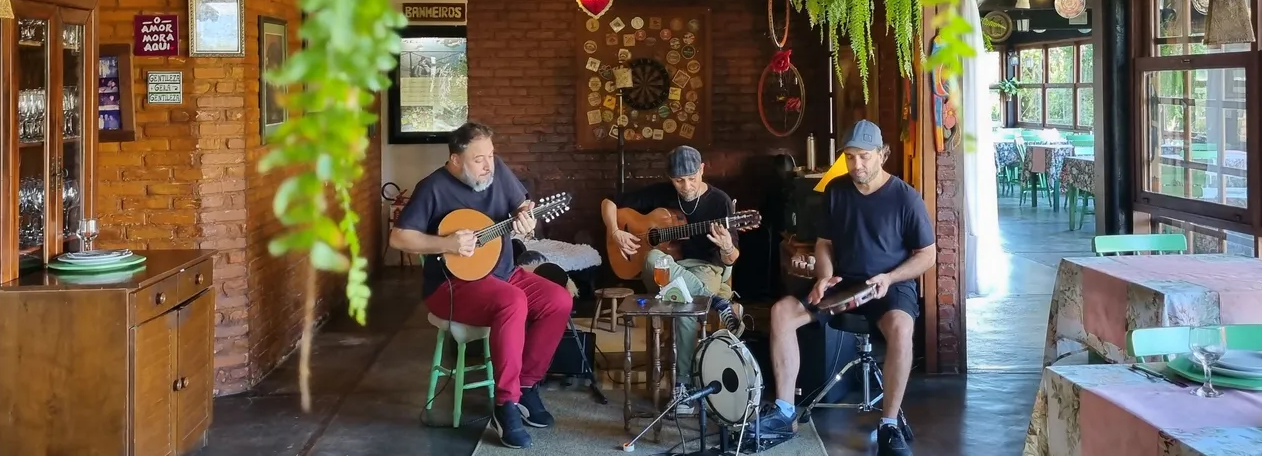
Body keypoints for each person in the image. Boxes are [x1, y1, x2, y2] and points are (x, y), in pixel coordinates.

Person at [747, 120, 934, 456]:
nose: (856, 165)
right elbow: (824, 243)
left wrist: (890, 278)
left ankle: (889, 425)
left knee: (901, 328)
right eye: (850, 157)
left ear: (882, 155)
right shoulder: (836, 190)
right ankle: (785, 411)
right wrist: (823, 276)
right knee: (782, 312)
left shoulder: (906, 197)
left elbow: (927, 255)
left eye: (863, 157)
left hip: (887, 284)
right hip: (842, 281)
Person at [390, 122, 573, 450]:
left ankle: (526, 386)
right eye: (479, 159)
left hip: (501, 273)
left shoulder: (497, 171)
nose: (489, 164)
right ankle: (505, 405)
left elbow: (522, 205)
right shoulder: (432, 188)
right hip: (451, 286)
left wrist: (526, 216)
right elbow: (399, 237)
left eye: (491, 155)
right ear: (456, 160)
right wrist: (445, 244)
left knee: (558, 299)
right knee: (513, 302)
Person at [602, 145, 743, 414]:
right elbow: (609, 201)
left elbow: (731, 259)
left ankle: (683, 386)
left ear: (702, 170)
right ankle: (715, 302)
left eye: (692, 178)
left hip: (702, 269)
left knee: (686, 307)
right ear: (670, 178)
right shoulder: (661, 193)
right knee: (654, 258)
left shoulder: (719, 202)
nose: (687, 186)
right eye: (679, 180)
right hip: (663, 270)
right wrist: (616, 231)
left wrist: (726, 247)